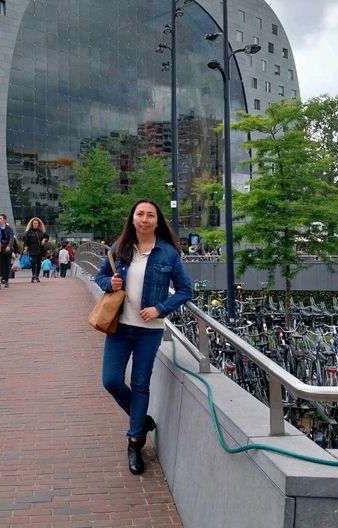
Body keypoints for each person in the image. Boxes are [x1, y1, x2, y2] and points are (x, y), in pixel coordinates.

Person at [95, 199, 192, 475]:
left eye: (150, 215)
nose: (145, 219)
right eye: (140, 214)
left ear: (157, 221)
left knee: (140, 384)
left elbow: (185, 290)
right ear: (133, 218)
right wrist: (109, 282)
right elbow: (101, 276)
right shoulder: (120, 248)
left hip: (148, 331)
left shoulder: (168, 253)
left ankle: (135, 440)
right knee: (111, 380)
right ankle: (143, 420)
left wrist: (160, 308)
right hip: (120, 326)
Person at [23, 217, 48, 283]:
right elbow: (26, 241)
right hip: (32, 249)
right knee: (33, 262)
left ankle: (37, 276)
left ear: (39, 224)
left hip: (40, 249)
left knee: (39, 263)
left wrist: (44, 239)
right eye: (34, 223)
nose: (35, 224)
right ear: (32, 224)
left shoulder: (41, 231)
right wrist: (26, 247)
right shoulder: (28, 232)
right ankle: (33, 275)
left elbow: (47, 236)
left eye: (37, 223)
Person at [0, 214, 16, 288]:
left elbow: (12, 238)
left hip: (7, 249)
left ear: (4, 220)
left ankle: (6, 280)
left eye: (0, 218)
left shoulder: (9, 228)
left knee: (7, 265)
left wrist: (9, 246)